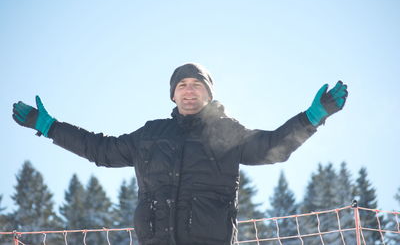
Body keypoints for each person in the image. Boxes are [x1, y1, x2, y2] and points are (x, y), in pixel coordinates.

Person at [12, 63, 348, 245]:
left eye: (197, 84)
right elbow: (101, 150)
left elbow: (273, 147)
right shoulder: (150, 134)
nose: (190, 90)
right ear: (173, 94)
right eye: (183, 85)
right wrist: (51, 126)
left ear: (208, 93)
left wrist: (311, 118)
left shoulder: (226, 132)